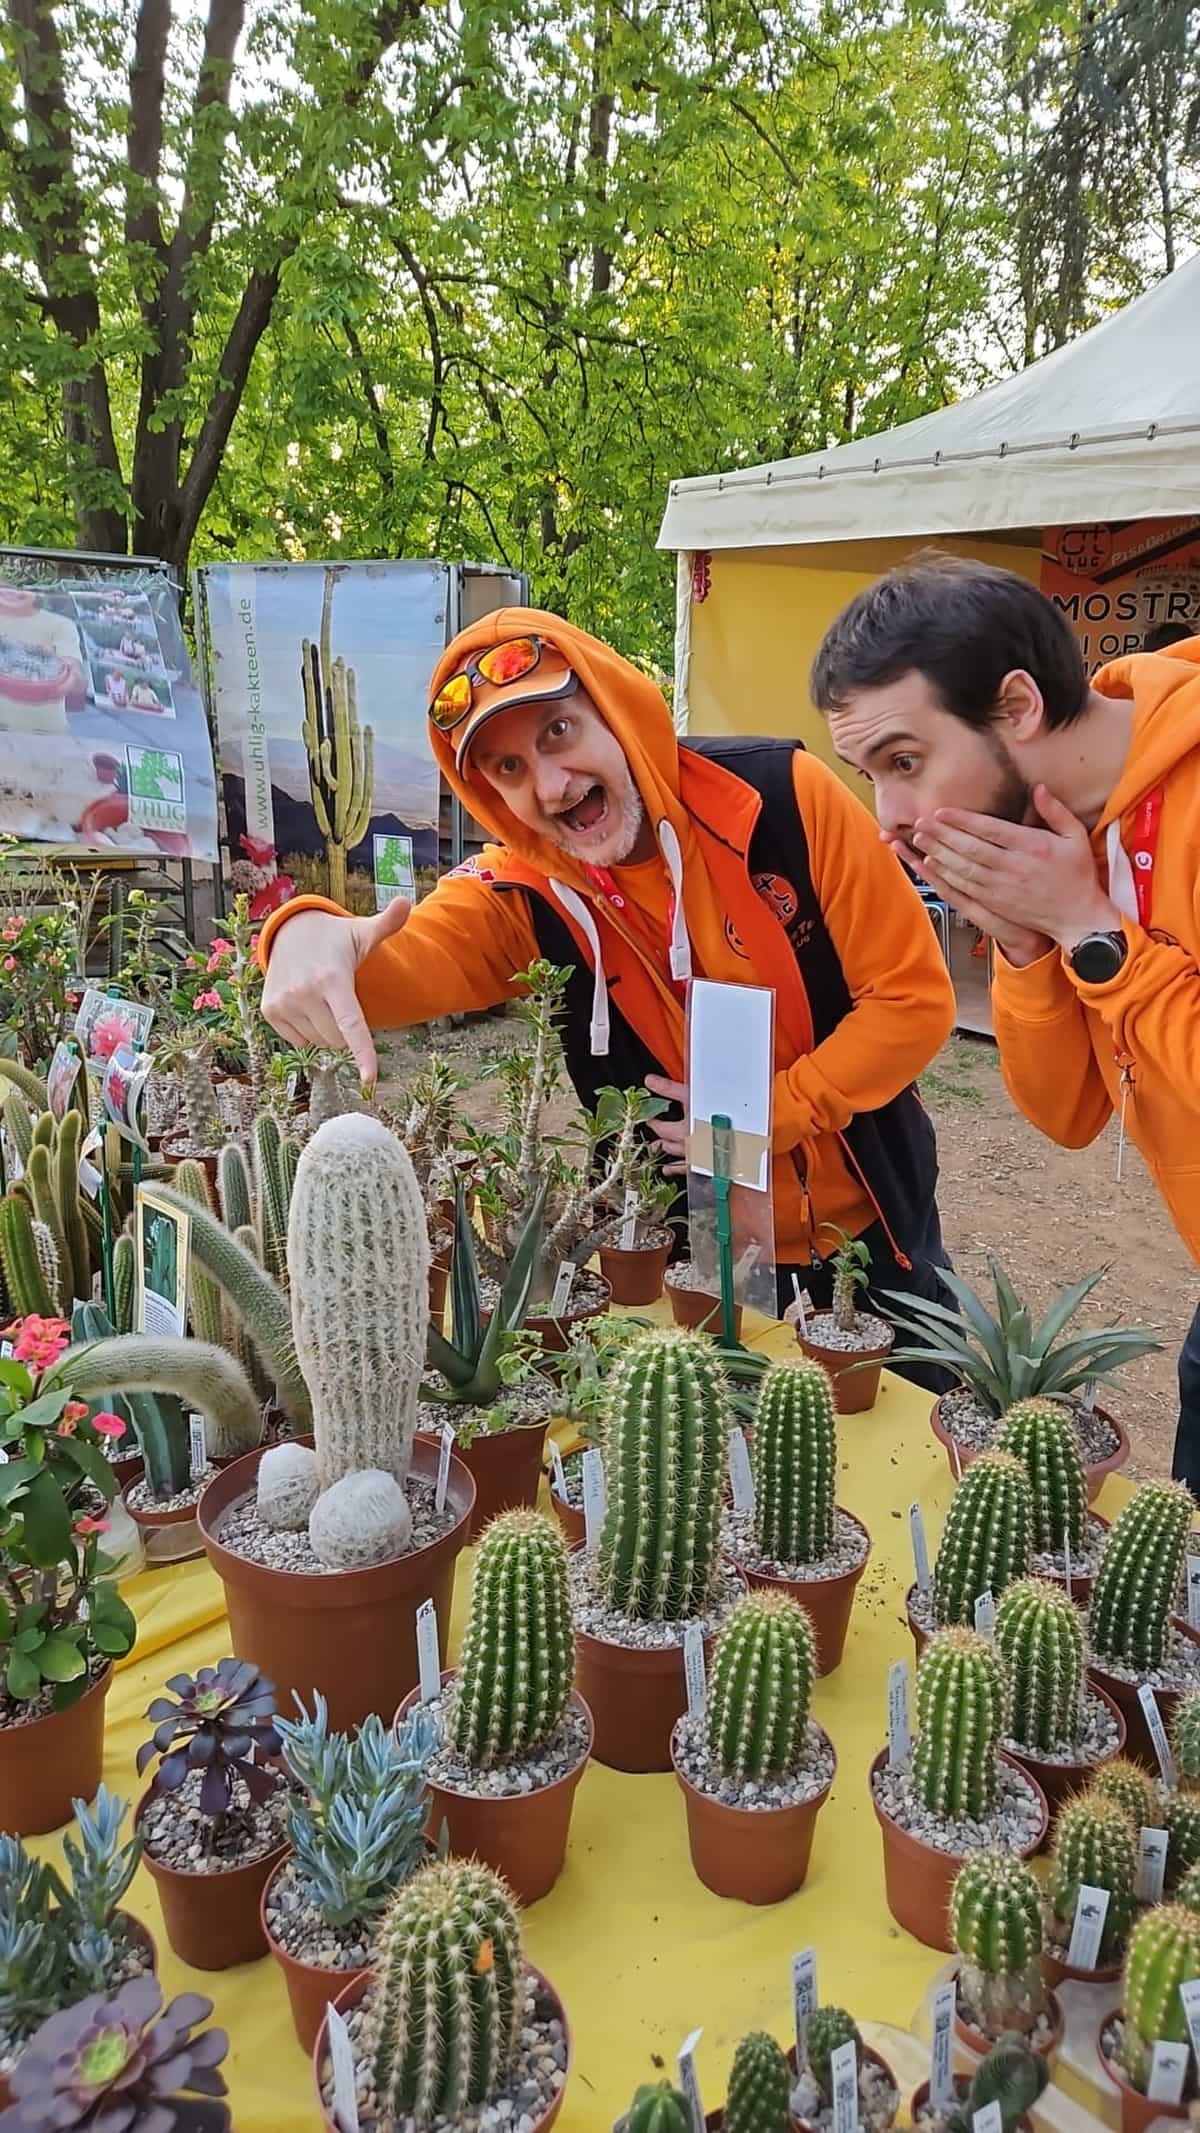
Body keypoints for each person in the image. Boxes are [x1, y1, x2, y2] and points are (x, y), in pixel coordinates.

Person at [259, 608, 958, 1381]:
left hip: (869, 1244)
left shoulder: (780, 800)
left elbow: (914, 1000)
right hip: (686, 1256)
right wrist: (301, 932)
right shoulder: (528, 891)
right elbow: (397, 964)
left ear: (615, 707)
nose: (552, 785)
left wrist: (778, 1109)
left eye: (558, 730)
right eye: (508, 768)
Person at [810, 551, 1200, 1489]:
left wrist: (1094, 935)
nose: (888, 820)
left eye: (905, 762)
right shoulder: (1068, 840)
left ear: (1018, 705)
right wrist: (1028, 945)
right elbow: (1067, 1113)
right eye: (870, 774)